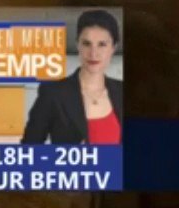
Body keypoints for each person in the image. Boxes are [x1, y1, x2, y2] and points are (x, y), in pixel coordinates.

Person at [20, 9, 124, 145]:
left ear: (113, 48)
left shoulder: (122, 91)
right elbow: (28, 148)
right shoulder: (53, 93)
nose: (93, 53)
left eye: (102, 45)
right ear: (77, 45)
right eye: (86, 44)